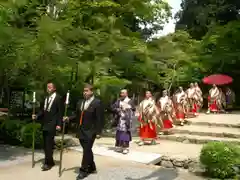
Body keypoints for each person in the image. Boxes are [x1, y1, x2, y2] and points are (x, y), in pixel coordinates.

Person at [63, 84, 104, 179]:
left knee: (86, 150)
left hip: (91, 130)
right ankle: (92, 167)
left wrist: (98, 132)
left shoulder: (97, 102)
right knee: (87, 150)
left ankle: (83, 170)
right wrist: (68, 118)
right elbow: (77, 116)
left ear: (91, 92)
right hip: (81, 130)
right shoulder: (80, 102)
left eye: (87, 91)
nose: (84, 92)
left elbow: (100, 118)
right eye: (84, 91)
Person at [32, 82, 63, 171]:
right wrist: (37, 116)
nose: (48, 88)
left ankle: (47, 163)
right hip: (45, 123)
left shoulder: (58, 98)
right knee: (45, 144)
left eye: (50, 87)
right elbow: (43, 110)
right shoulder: (46, 98)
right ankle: (50, 160)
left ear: (54, 88)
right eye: (47, 87)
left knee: (49, 144)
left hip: (53, 124)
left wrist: (59, 124)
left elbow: (60, 112)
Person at [111, 89, 135, 154]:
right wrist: (118, 110)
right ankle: (120, 146)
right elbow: (113, 107)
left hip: (126, 119)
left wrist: (127, 109)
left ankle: (125, 147)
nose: (122, 94)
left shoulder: (130, 101)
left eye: (123, 93)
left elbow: (133, 109)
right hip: (120, 119)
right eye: (121, 93)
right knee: (119, 133)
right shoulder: (119, 100)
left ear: (126, 94)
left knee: (125, 133)